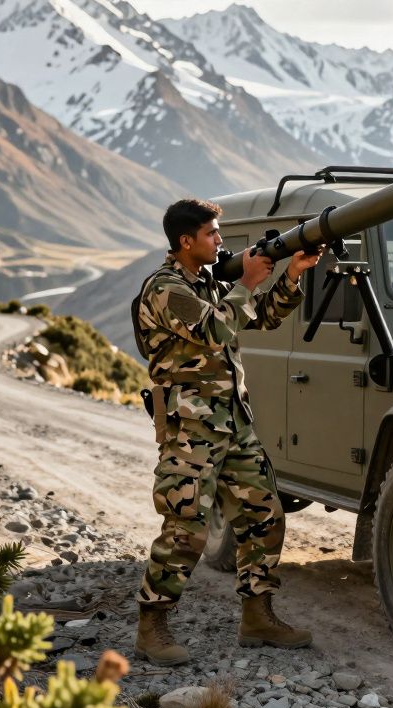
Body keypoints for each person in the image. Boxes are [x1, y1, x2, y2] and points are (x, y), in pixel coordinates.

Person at [132, 198, 321, 666]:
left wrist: (292, 274)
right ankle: (151, 628)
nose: (221, 241)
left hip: (233, 424)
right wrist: (247, 282)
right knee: (185, 531)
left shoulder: (207, 283)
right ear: (185, 240)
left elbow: (260, 318)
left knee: (265, 516)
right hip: (191, 430)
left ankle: (258, 616)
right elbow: (214, 329)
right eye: (213, 233)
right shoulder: (165, 288)